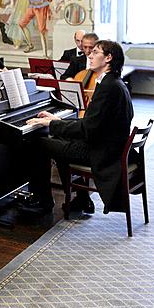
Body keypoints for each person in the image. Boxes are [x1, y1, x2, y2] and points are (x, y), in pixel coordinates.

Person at [25, 40, 134, 215]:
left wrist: (51, 124)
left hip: (100, 152)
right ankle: (82, 198)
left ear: (108, 58)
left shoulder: (108, 87)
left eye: (95, 52)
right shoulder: (114, 82)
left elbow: (87, 129)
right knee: (59, 140)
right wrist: (55, 120)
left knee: (37, 143)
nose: (89, 55)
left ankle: (42, 201)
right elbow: (91, 123)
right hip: (107, 146)